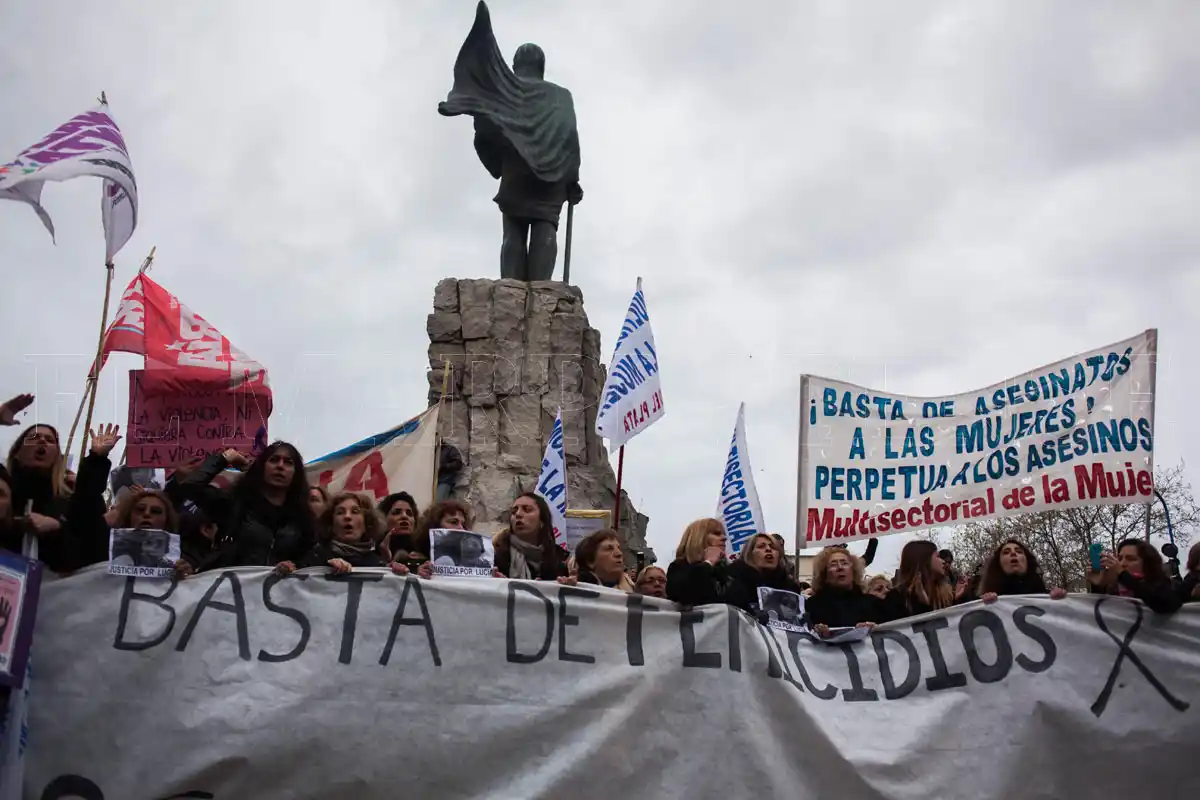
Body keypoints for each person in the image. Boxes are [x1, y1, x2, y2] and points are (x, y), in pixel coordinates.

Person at [174, 443, 317, 574]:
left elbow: (311, 557)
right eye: (274, 460)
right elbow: (190, 487)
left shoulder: (303, 518)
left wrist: (294, 566)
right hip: (230, 595)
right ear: (261, 468)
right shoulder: (234, 504)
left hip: (277, 598)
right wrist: (225, 458)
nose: (280, 466)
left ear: (295, 473)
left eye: (288, 462)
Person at [3, 423, 82, 572]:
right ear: (17, 452)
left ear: (56, 457)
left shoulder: (69, 501)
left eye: (50, 440)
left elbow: (89, 553)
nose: (42, 441)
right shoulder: (3, 492)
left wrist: (57, 528)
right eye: (34, 437)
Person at [665, 519, 750, 609]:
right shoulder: (679, 567)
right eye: (717, 534)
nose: (724, 538)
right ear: (699, 537)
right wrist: (708, 562)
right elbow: (683, 594)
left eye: (724, 534)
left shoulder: (729, 573)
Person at [295, 492, 386, 574]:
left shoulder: (379, 564)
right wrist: (325, 567)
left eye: (355, 511)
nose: (347, 516)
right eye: (340, 512)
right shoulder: (314, 557)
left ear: (367, 523)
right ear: (331, 525)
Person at [1088, 538, 1182, 614]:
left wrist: (1123, 575)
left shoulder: (1164, 584)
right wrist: (1099, 585)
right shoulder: (1114, 588)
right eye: (1120, 558)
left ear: (1147, 563)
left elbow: (1166, 604)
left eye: (1131, 559)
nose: (1123, 563)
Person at [806, 546, 882, 636]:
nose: (840, 567)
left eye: (844, 563)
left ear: (853, 571)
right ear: (824, 575)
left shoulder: (873, 603)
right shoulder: (812, 606)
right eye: (833, 564)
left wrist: (877, 629)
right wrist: (816, 632)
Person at [493, 492, 568, 580]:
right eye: (514, 511)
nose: (518, 514)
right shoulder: (495, 556)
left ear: (542, 521)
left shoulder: (561, 560)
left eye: (527, 510)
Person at [728, 533, 805, 613]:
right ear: (749, 554)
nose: (768, 549)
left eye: (773, 547)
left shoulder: (790, 587)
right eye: (761, 546)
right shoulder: (734, 581)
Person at [881, 540, 954, 621]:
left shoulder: (946, 593)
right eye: (937, 556)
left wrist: (959, 598)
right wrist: (922, 604)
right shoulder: (896, 598)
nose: (943, 561)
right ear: (924, 560)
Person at [975, 539, 1068, 603]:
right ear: (998, 564)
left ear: (1027, 561)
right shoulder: (984, 602)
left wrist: (1062, 601)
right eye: (1006, 552)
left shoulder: (1048, 596)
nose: (1013, 553)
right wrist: (985, 607)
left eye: (1019, 551)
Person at [379, 492, 420, 562]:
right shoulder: (371, 554)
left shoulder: (425, 555)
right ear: (383, 519)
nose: (404, 516)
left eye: (409, 513)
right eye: (396, 512)